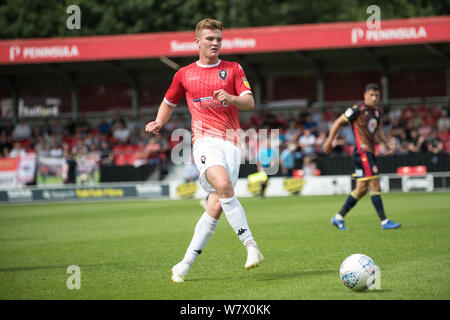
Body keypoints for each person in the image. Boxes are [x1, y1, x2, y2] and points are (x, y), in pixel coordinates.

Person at [145, 19, 263, 283]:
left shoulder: (233, 69)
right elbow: (168, 102)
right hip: (204, 141)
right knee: (222, 185)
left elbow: (249, 101)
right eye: (210, 39)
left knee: (216, 205)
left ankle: (184, 264)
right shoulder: (184, 74)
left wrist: (231, 98)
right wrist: (158, 122)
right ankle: (251, 245)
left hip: (232, 142)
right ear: (197, 41)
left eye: (219, 39)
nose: (215, 43)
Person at [323, 83, 401, 230]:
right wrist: (329, 142)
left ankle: (338, 217)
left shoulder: (376, 112)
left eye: (377, 95)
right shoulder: (357, 109)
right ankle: (384, 221)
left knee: (361, 189)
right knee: (375, 183)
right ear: (365, 95)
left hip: (370, 152)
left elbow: (377, 132)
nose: (374, 98)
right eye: (371, 95)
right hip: (362, 152)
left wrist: (386, 144)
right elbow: (338, 121)